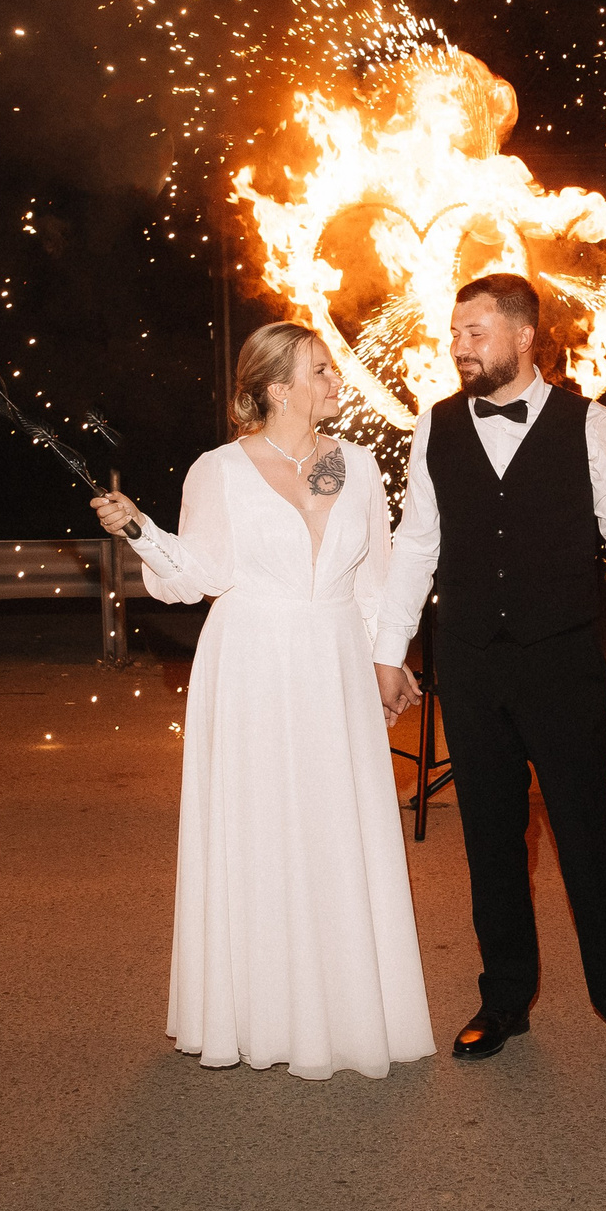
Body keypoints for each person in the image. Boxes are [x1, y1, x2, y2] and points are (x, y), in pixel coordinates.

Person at [91, 322, 435, 1079]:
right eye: (320, 371)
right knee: (259, 824)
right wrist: (141, 530)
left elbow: (376, 578)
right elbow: (195, 578)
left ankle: (345, 1009)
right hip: (250, 663)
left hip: (336, 658)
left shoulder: (357, 465)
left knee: (334, 821)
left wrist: (388, 660)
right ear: (277, 388)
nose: (337, 383)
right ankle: (259, 1011)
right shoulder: (220, 470)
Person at [374, 274, 606, 1072]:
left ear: (523, 337)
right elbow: (417, 543)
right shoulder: (434, 427)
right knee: (491, 841)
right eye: (455, 332)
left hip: (561, 662)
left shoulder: (591, 423)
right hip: (470, 662)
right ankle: (505, 1001)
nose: (459, 346)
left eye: (474, 331)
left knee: (585, 839)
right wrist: (388, 650)